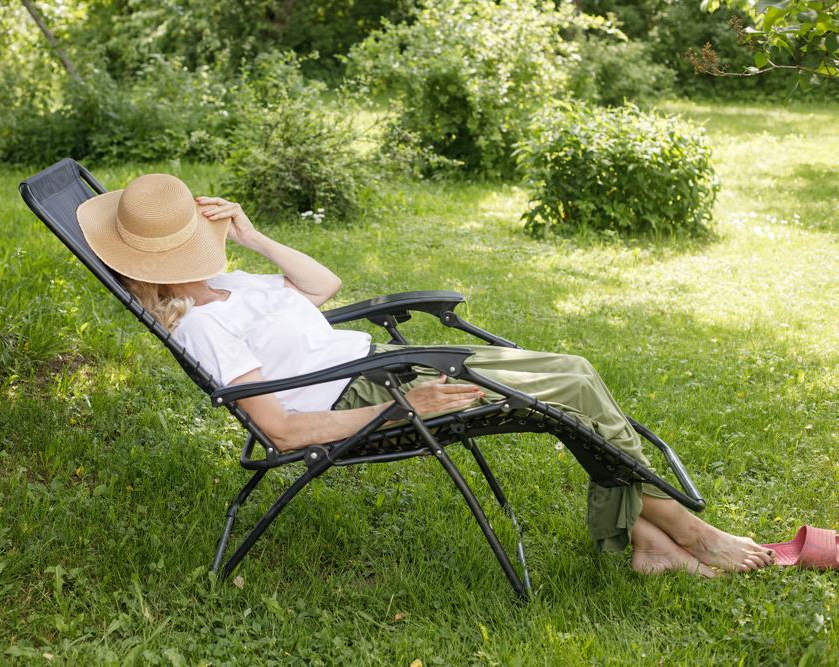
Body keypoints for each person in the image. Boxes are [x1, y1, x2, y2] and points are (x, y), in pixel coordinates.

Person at [76, 173, 776, 577]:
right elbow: (282, 430)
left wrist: (253, 237)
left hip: (384, 369)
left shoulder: (227, 284)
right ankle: (676, 528)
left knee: (573, 377)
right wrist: (406, 405)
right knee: (568, 385)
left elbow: (322, 285)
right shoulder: (201, 324)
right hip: (370, 393)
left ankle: (649, 535)